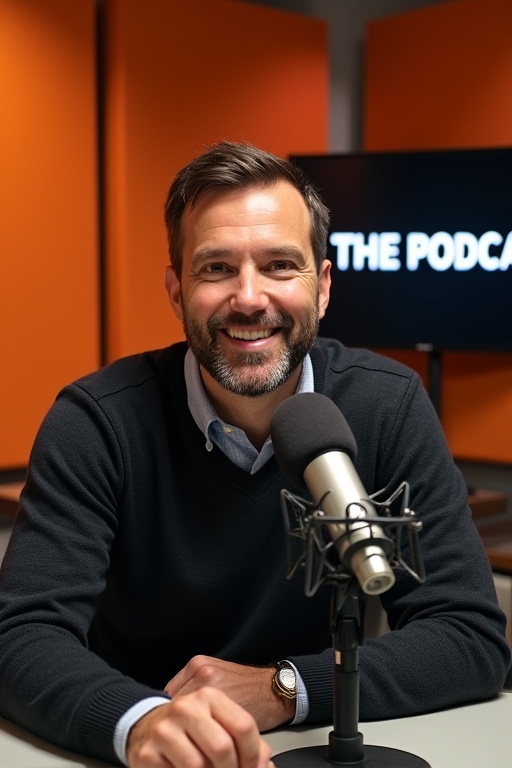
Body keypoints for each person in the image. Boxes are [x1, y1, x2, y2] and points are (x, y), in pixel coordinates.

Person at [0, 141, 509, 768]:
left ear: (321, 287)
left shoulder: (388, 405)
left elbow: (469, 637)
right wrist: (141, 723)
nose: (248, 298)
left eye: (279, 266)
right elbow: (21, 637)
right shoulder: (97, 421)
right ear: (176, 288)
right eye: (215, 268)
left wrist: (282, 688)